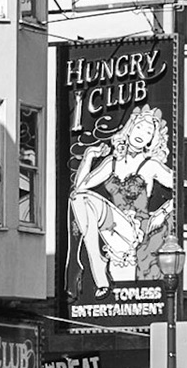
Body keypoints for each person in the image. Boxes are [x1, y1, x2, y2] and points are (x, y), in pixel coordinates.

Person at [66, 105, 176, 295]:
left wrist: (162, 213)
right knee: (78, 198)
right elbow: (79, 188)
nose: (142, 133)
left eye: (149, 132)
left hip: (135, 228)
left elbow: (181, 187)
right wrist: (89, 157)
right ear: (130, 128)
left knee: (81, 200)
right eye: (139, 127)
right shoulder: (112, 163)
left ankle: (90, 266)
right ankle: (96, 263)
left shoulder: (151, 166)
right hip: (111, 228)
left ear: (152, 140)